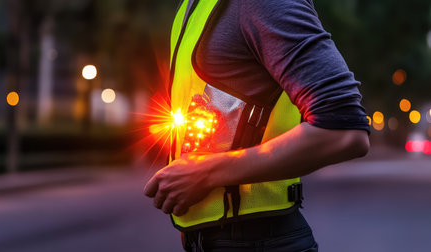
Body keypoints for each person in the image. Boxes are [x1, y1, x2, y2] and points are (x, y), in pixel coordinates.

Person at [144, 0, 370, 251]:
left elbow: (345, 131)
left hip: (260, 241)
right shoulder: (193, 5)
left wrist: (206, 173)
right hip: (210, 239)